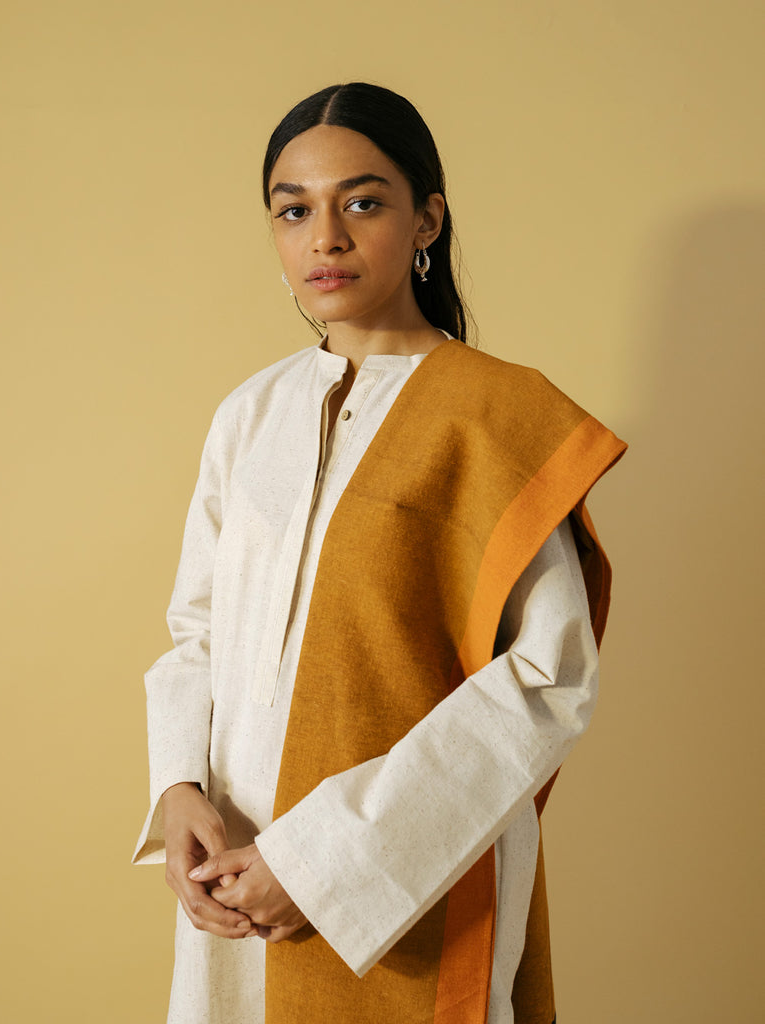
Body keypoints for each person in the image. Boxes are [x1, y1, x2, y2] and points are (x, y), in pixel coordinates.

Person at [133, 82, 626, 1024]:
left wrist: (318, 863)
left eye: (361, 201)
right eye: (293, 210)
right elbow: (197, 627)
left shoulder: (496, 417)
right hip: (235, 872)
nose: (325, 236)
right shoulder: (250, 416)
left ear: (426, 217)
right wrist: (175, 787)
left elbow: (548, 678)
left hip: (407, 881)